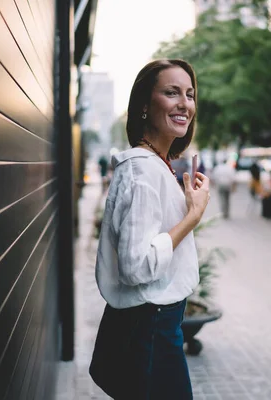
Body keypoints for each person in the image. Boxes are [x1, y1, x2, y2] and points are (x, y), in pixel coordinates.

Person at [89, 59, 210, 400]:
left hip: (155, 322)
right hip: (151, 325)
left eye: (189, 94)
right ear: (144, 105)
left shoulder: (156, 165)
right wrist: (192, 217)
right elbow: (135, 267)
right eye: (171, 93)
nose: (184, 103)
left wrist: (187, 208)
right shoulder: (143, 171)